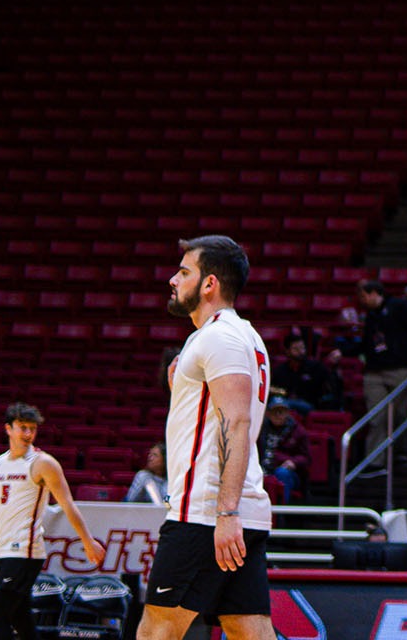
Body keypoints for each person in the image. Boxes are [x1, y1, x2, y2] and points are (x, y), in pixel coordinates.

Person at [139, 236, 273, 640]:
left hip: (207, 513)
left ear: (209, 283)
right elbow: (219, 415)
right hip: (238, 511)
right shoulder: (242, 335)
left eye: (184, 272)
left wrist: (226, 513)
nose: (173, 280)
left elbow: (237, 422)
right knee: (248, 629)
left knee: (155, 631)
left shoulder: (219, 337)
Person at [0, 404, 106, 640]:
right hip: (4, 549)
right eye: (22, 428)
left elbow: (67, 504)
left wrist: (87, 540)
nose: (28, 434)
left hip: (26, 551)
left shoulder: (43, 463)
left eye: (32, 429)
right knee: (20, 616)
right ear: (8, 429)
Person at [344, 278, 407, 469]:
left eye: (363, 296)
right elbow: (367, 344)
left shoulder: (400, 306)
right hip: (374, 371)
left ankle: (401, 454)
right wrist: (344, 352)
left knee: (401, 413)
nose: (361, 300)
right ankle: (375, 461)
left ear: (375, 293)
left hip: (400, 368)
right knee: (376, 416)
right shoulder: (371, 315)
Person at [257, 398, 311, 502]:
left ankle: (281, 509)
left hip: (286, 471)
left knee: (282, 473)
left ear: (288, 413)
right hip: (262, 468)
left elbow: (306, 458)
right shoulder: (260, 429)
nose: (278, 414)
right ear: (268, 413)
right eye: (275, 411)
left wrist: (293, 462)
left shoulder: (298, 431)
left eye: (281, 411)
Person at [273, 336, 340, 414]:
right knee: (276, 403)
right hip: (284, 401)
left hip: (309, 404)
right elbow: (275, 389)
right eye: (296, 349)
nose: (300, 352)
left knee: (283, 405)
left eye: (302, 348)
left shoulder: (315, 367)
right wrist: (285, 393)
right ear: (287, 351)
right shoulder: (280, 370)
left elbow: (326, 386)